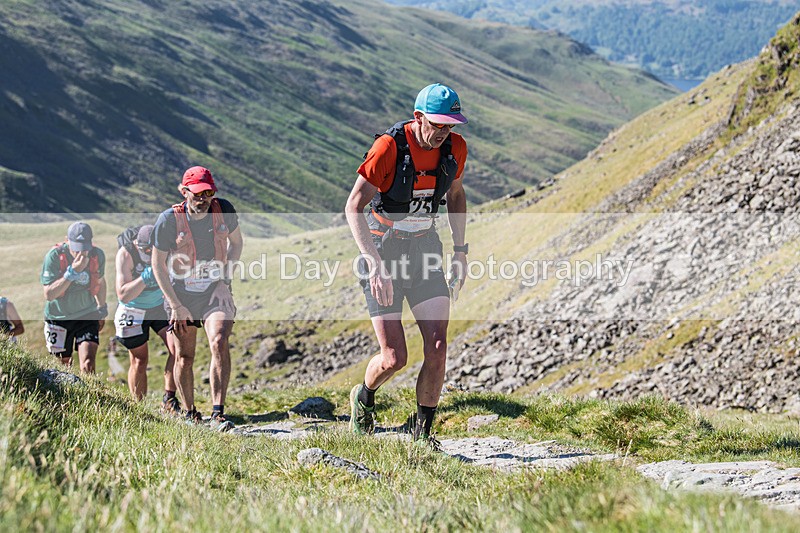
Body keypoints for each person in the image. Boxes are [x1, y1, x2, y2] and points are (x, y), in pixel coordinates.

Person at [344, 83, 469, 447]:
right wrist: (375, 265)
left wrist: (460, 251)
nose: (445, 132)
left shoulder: (455, 149)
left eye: (451, 125)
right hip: (383, 250)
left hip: (426, 248)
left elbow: (456, 195)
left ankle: (422, 434)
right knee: (394, 357)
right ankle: (364, 397)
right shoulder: (388, 147)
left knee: (438, 345)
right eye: (438, 124)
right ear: (418, 117)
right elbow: (353, 206)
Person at [151, 166, 243, 432]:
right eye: (199, 193)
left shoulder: (223, 210)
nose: (204, 199)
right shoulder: (169, 220)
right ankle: (190, 412)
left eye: (209, 193)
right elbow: (157, 264)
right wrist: (175, 305)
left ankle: (218, 412)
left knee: (219, 339)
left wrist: (225, 282)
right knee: (184, 356)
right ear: (184, 192)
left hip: (214, 290)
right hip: (180, 295)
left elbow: (236, 244)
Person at [114, 224, 180, 411]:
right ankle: (139, 408)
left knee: (178, 348)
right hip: (133, 309)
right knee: (139, 359)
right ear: (137, 245)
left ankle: (169, 399)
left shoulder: (165, 250)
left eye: (153, 249)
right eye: (145, 250)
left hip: (159, 306)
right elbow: (123, 294)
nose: (150, 253)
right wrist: (146, 277)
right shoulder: (126, 254)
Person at [41, 221, 107, 372]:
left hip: (87, 314)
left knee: (88, 363)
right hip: (58, 317)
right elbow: (49, 294)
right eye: (76, 248)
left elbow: (101, 282)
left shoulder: (97, 255)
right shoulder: (55, 256)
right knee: (63, 365)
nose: (80, 253)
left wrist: (102, 309)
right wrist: (72, 273)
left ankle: (91, 394)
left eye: (84, 248)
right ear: (67, 240)